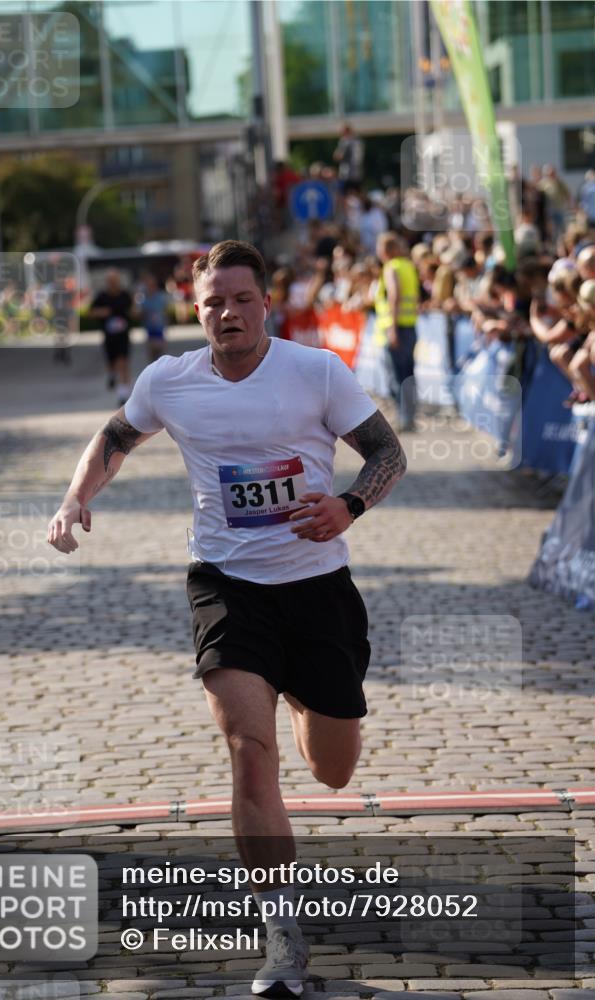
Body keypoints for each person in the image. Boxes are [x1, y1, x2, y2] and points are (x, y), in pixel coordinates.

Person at [47, 240, 407, 999]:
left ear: (264, 305)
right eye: (213, 301)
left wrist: (348, 504)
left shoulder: (315, 373)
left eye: (241, 299)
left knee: (332, 768)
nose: (227, 313)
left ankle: (309, 694)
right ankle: (280, 930)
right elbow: (115, 436)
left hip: (316, 587)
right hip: (225, 583)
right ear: (195, 306)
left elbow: (385, 452)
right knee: (249, 747)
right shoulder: (169, 381)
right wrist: (77, 496)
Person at [375, 232, 420, 432]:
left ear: (387, 250)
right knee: (408, 374)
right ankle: (409, 417)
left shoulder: (391, 267)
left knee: (396, 375)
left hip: (397, 327)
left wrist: (392, 328)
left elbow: (394, 295)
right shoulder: (408, 266)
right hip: (410, 325)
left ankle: (404, 419)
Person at [89, 269, 135, 404]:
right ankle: (111, 374)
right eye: (111, 281)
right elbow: (91, 312)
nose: (113, 283)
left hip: (123, 336)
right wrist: (102, 312)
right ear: (107, 282)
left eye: (115, 281)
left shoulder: (125, 295)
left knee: (123, 363)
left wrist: (135, 313)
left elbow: (133, 310)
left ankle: (122, 395)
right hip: (109, 337)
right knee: (112, 364)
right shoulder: (101, 296)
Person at [137, 272, 170, 364]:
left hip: (159, 330)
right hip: (149, 331)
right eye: (148, 285)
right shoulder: (143, 299)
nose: (150, 287)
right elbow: (139, 314)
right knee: (151, 360)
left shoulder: (160, 297)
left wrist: (166, 324)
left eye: (152, 285)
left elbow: (165, 312)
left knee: (161, 359)